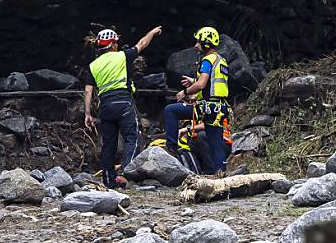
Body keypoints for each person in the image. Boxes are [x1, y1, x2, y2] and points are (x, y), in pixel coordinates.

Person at [83, 25, 162, 188]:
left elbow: (88, 90)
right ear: (112, 45)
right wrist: (152, 33)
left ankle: (108, 179)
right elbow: (141, 44)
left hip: (105, 105)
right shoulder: (121, 56)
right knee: (132, 137)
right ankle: (127, 173)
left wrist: (87, 113)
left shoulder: (93, 66)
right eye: (116, 43)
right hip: (123, 102)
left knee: (109, 144)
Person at [164, 26, 231, 174]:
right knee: (215, 143)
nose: (196, 46)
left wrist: (185, 92)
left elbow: (201, 85)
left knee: (171, 111)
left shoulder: (207, 60)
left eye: (199, 42)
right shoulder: (220, 60)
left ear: (206, 43)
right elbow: (210, 83)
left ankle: (172, 149)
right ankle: (220, 173)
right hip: (219, 108)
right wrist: (193, 80)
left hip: (207, 107)